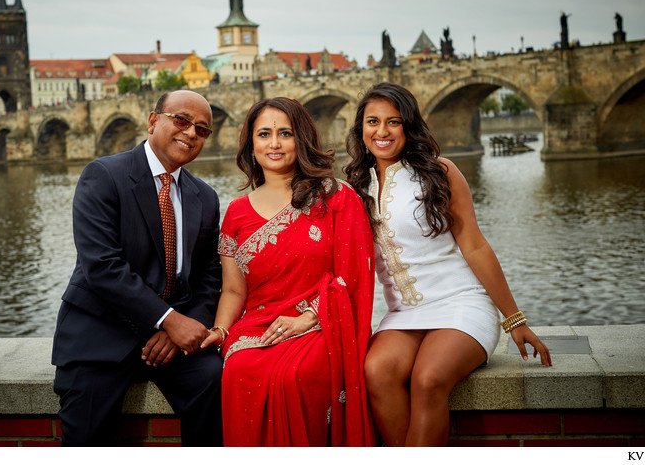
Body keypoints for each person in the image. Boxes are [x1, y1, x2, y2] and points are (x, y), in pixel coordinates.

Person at [344, 82, 552, 447]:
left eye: (393, 122)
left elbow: (474, 246)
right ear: (360, 129)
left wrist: (514, 319)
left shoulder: (439, 172)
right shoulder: (354, 186)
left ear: (409, 126)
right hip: (404, 313)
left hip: (461, 303)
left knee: (428, 379)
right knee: (376, 372)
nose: (382, 131)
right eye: (372, 122)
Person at [199, 97, 375, 446]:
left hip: (320, 325)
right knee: (239, 367)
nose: (275, 143)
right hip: (259, 326)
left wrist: (308, 319)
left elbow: (352, 279)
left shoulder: (336, 196)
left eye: (285, 133)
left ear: (303, 139)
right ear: (251, 143)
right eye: (264, 134)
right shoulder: (236, 212)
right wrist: (220, 330)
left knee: (298, 374)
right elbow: (234, 291)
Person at [52, 90, 224, 446]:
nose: (191, 133)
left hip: (169, 339)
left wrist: (180, 325)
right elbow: (102, 266)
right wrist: (168, 319)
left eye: (202, 130)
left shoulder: (204, 196)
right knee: (86, 440)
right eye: (182, 120)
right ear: (152, 121)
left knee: (216, 380)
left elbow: (209, 275)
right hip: (101, 331)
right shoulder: (104, 175)